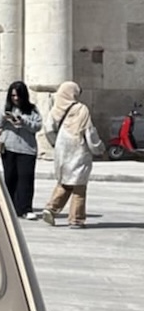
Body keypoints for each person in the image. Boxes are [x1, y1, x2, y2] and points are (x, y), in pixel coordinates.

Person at [41, 81, 104, 228]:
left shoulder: (56, 108)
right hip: (78, 149)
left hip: (62, 149)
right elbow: (89, 132)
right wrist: (98, 148)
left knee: (65, 181)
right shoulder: (82, 109)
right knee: (79, 187)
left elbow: (48, 128)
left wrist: (56, 143)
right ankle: (76, 219)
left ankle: (51, 208)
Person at [0, 80, 42, 219]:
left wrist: (24, 121)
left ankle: (25, 209)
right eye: (13, 95)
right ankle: (9, 208)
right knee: (10, 178)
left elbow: (37, 126)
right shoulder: (6, 107)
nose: (15, 99)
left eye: (18, 96)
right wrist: (4, 117)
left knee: (25, 179)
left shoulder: (32, 110)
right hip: (8, 147)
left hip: (27, 149)